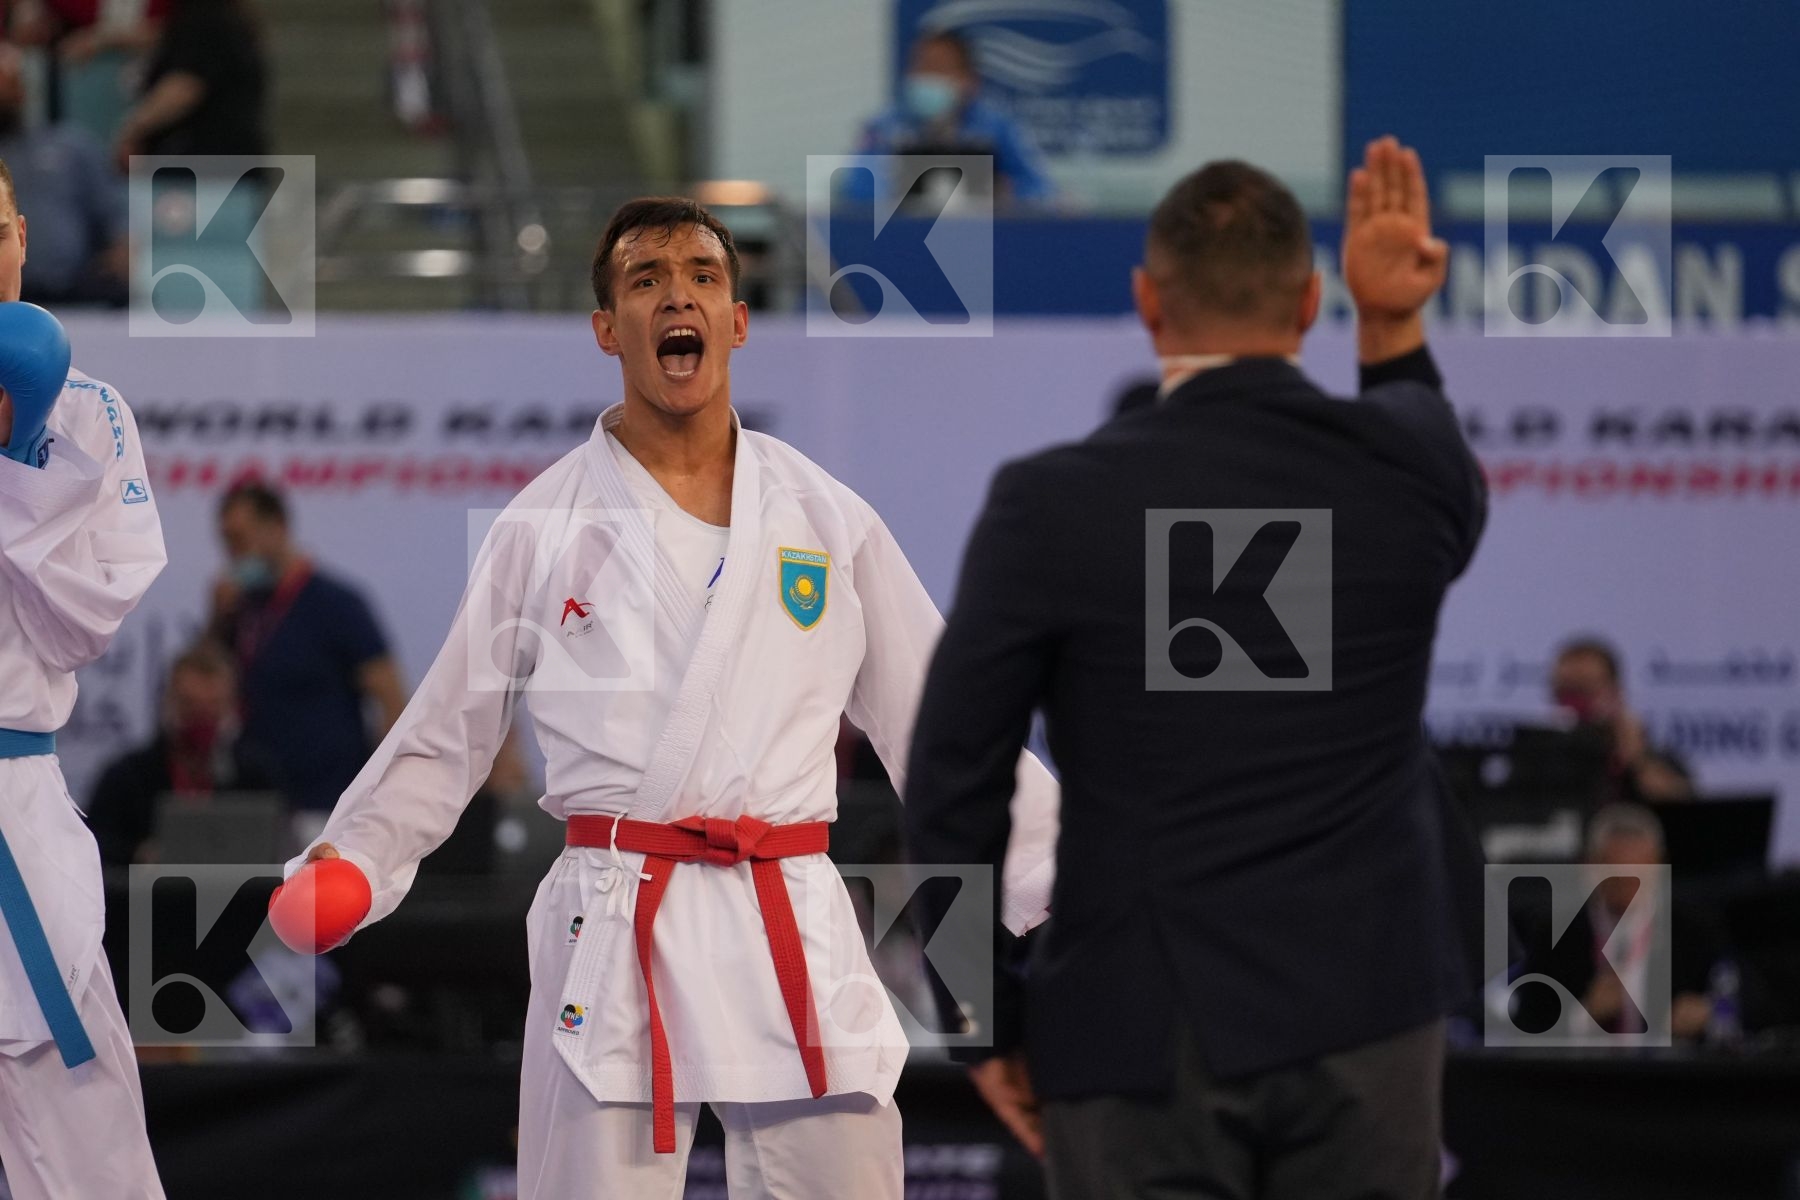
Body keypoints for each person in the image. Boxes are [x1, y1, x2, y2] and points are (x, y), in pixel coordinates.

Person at [287, 196, 1059, 1198]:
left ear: (737, 319)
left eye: (701, 276)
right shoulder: (543, 522)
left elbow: (942, 723)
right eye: (645, 281)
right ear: (608, 329)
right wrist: (359, 856)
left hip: (787, 898)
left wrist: (1060, 873)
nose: (676, 297)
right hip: (614, 905)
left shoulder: (825, 515)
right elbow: (451, 730)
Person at [904, 138, 1487, 1197]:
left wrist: (976, 1019)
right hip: (1364, 1028)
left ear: (1147, 300)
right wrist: (1394, 324)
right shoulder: (1410, 474)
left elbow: (953, 781)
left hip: (1133, 1038)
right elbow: (1419, 418)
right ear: (1312, 305)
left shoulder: (1050, 503)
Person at [0, 160, 167, 1197]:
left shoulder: (89, 411)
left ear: (22, 236)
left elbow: (83, 627)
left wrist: (20, 446)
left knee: (81, 1129)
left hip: (14, 804)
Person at [208, 481, 406, 826]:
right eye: (227, 542)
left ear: (277, 528)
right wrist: (216, 618)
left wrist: (381, 793)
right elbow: (203, 686)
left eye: (241, 538)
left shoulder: (337, 604)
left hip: (327, 802)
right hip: (257, 802)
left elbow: (389, 696)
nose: (233, 553)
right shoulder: (241, 609)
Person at [1508, 803, 1717, 1040]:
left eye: (1639, 872)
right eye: (1617, 873)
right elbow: (1525, 1028)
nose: (1629, 884)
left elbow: (1752, 1002)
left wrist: (1710, 1012)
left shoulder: (1692, 931)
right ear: (1590, 866)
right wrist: (1584, 1018)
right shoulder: (1556, 935)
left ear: (1658, 865)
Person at [85, 639, 282, 867]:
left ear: (231, 707)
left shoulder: (257, 778)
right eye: (190, 706)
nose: (202, 719)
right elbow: (96, 849)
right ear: (168, 702)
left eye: (213, 708)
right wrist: (137, 856)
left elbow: (283, 848)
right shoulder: (127, 779)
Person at [854, 28, 1055, 207]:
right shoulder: (883, 128)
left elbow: (1040, 190)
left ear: (969, 80)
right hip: (899, 237)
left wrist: (1003, 193)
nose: (927, 76)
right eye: (921, 66)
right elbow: (856, 191)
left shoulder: (998, 129)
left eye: (939, 68)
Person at [0, 45, 129, 307]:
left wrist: (123, 246)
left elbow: (114, 211)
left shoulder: (70, 146)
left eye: (7, 85)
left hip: (73, 284)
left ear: (23, 91)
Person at [114, 0, 266, 166]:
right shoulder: (222, 18)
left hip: (205, 162)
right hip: (227, 158)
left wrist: (134, 130)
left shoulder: (205, 21)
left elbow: (183, 87)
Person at [1550, 636, 1694, 803]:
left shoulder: (1651, 757)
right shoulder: (1538, 762)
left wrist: (1636, 760)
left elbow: (1681, 804)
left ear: (1615, 691)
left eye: (1584, 689)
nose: (1574, 701)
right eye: (1566, 691)